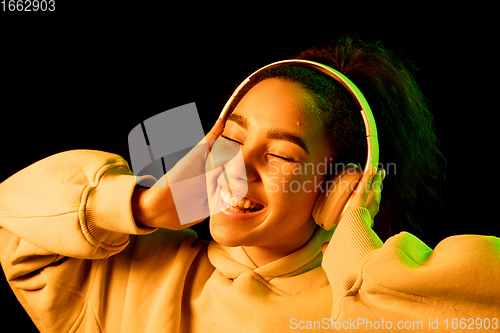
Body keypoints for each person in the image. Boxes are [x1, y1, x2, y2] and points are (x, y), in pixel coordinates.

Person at [0, 36, 499, 332]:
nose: (237, 168)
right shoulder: (133, 275)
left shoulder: (362, 297)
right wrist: (148, 208)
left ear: (340, 183)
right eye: (231, 139)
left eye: (281, 155)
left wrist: (354, 240)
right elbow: (14, 224)